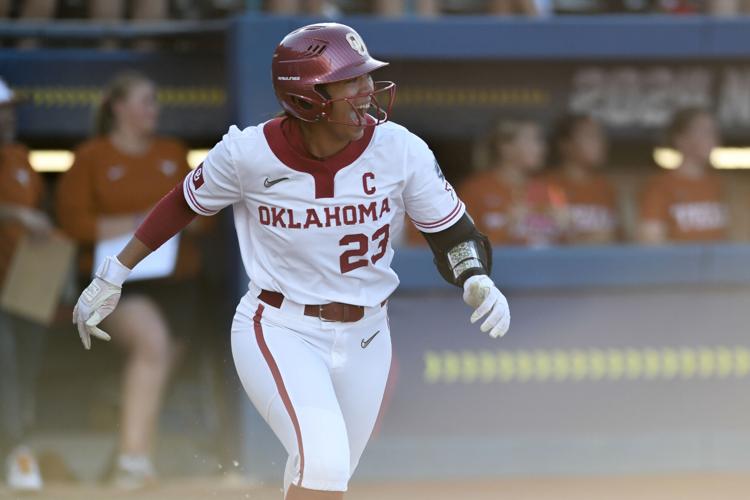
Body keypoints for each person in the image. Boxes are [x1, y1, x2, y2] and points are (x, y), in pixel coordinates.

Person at [70, 23, 510, 500]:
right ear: (307, 96)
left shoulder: (399, 148)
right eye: (351, 80)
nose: (367, 90)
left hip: (368, 334)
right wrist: (113, 274)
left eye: (366, 76)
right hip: (280, 326)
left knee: (321, 472)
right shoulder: (248, 153)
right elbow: (180, 205)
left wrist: (476, 277)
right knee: (325, 464)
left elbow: (452, 232)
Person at [56, 71, 203, 489]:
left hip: (177, 279)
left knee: (158, 362)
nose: (153, 108)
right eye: (145, 100)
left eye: (156, 100)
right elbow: (73, 222)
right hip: (118, 281)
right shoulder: (92, 156)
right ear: (118, 107)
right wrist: (141, 225)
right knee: (151, 343)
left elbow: (202, 212)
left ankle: (128, 450)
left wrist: (184, 223)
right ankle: (132, 462)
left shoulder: (173, 152)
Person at [0, 77, 50, 492]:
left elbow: (35, 212)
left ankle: (18, 447)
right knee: (6, 361)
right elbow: (20, 213)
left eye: (10, 109)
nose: (8, 117)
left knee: (27, 364)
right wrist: (14, 214)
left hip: (22, 280)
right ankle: (17, 448)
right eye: (2, 110)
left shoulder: (18, 156)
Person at [459, 119, 567, 247]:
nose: (541, 149)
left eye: (540, 141)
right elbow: (463, 249)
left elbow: (565, 248)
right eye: (532, 140)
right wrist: (508, 227)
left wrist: (566, 230)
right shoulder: (475, 190)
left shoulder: (550, 190)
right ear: (506, 147)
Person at [638, 107, 729, 244]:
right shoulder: (660, 185)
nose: (712, 139)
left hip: (719, 264)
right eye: (703, 132)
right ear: (680, 139)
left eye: (713, 132)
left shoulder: (719, 183)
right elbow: (650, 240)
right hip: (677, 264)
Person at [547, 113, 618, 245]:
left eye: (600, 137)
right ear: (566, 145)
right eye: (589, 136)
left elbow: (619, 239)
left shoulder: (606, 187)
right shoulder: (546, 185)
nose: (600, 143)